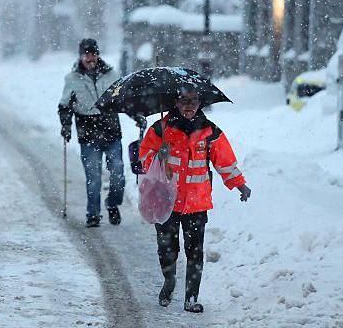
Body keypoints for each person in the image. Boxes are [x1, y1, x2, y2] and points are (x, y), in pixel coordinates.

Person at [138, 88, 251, 313]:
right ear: (176, 102)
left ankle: (191, 297)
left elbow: (224, 161)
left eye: (194, 101)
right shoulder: (161, 128)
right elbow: (144, 156)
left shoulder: (210, 131)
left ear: (201, 103)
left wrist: (239, 183)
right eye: (184, 100)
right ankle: (169, 281)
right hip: (165, 201)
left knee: (195, 252)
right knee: (167, 249)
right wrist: (156, 155)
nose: (189, 105)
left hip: (196, 203)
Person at [59, 38, 145, 228]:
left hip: (111, 130)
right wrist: (66, 126)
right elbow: (65, 106)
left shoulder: (111, 74)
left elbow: (123, 100)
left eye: (93, 54)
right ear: (80, 56)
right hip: (87, 132)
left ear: (98, 55)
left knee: (118, 173)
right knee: (94, 177)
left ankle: (113, 203)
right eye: (86, 54)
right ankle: (93, 213)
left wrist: (136, 115)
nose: (90, 58)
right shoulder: (72, 79)